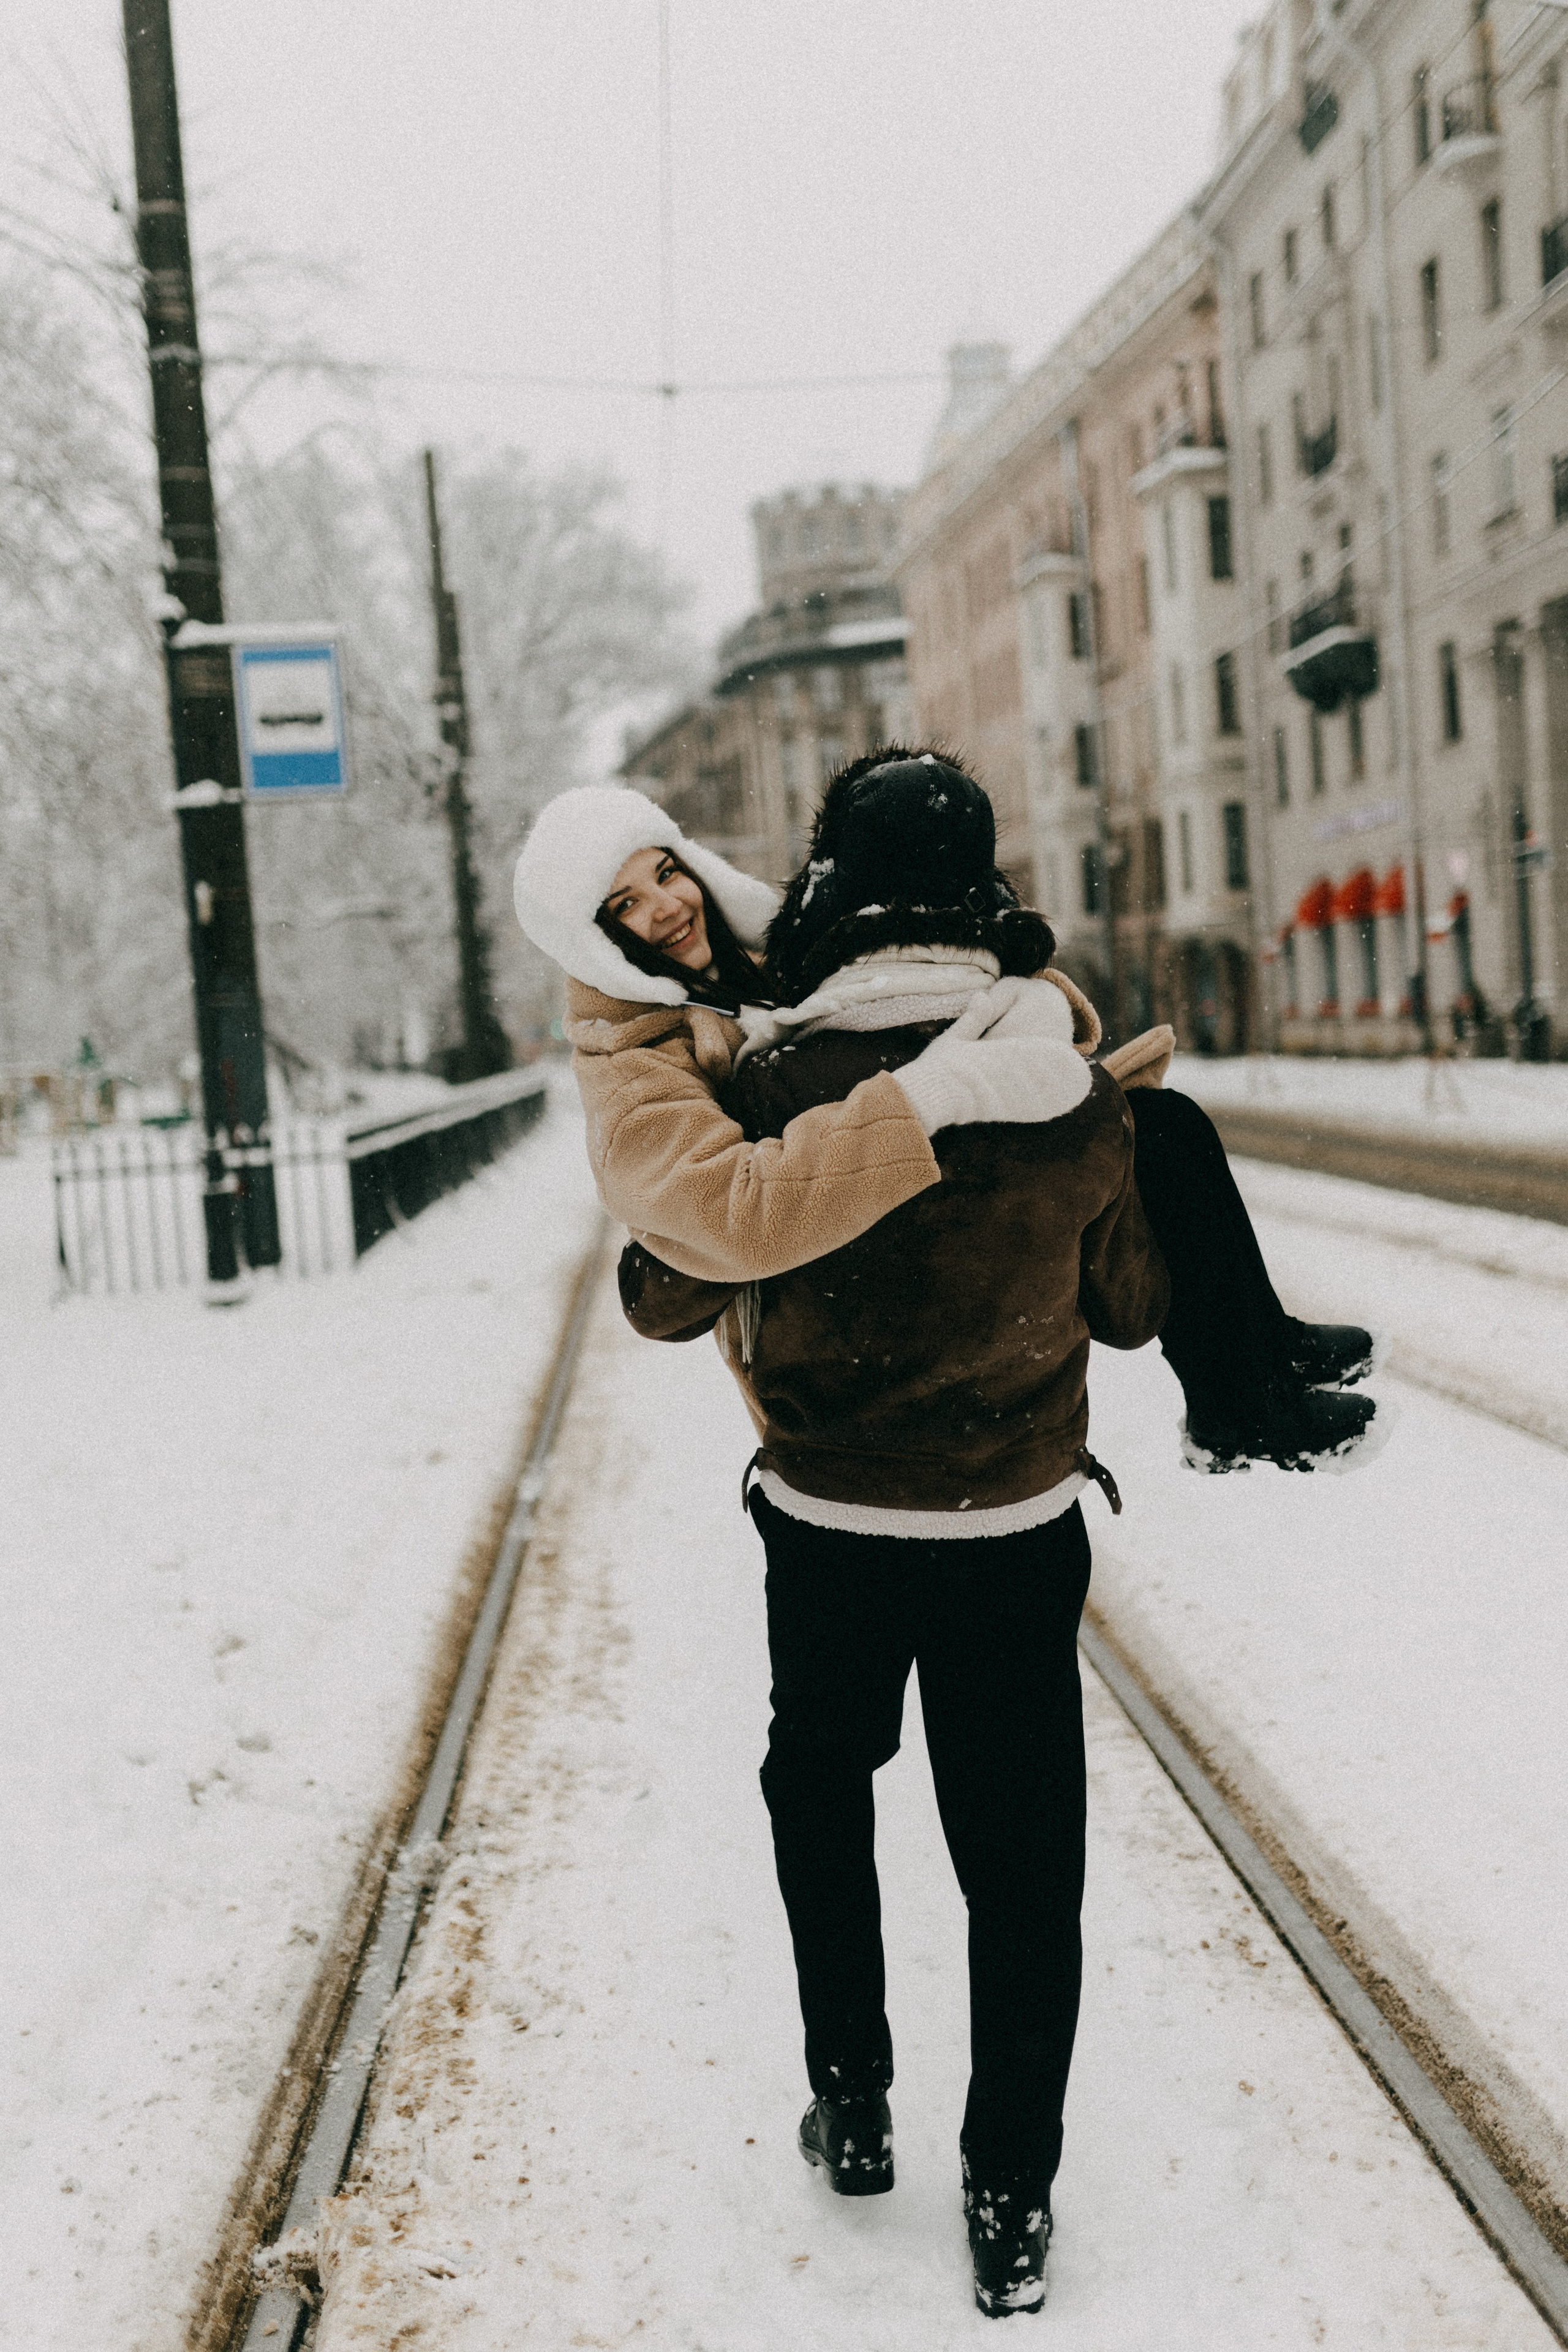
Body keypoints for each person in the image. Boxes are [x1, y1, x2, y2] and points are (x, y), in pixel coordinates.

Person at [513, 753, 1379, 2317]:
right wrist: (1034, 1105)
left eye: (661, 873)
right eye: (622, 908)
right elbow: (1119, 1308)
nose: (659, 908)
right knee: (1022, 1856)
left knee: (816, 1788)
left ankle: (850, 2104)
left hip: (828, 1514)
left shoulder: (766, 1027)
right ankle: (1011, 2192)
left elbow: (662, 1289)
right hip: (1009, 1521)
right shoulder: (650, 1062)